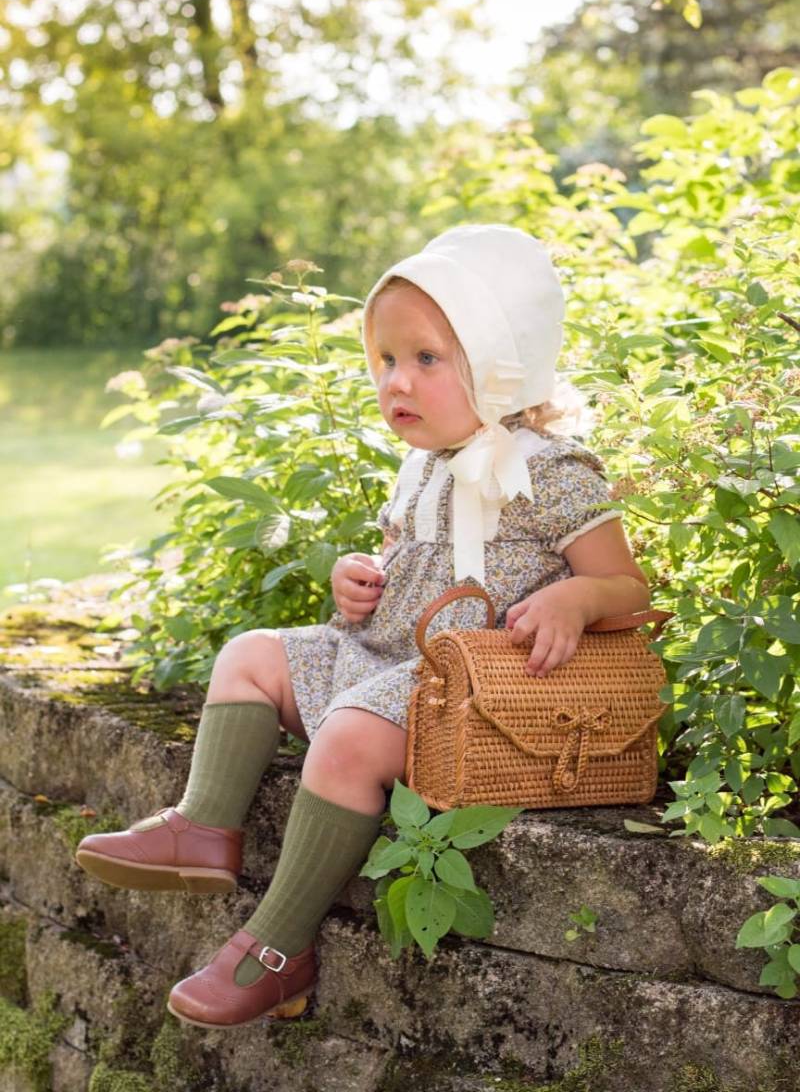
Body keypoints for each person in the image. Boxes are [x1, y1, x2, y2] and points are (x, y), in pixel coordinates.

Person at [75, 223, 650, 1029]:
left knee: (345, 739)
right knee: (249, 656)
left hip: (471, 688)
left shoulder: (548, 471)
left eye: (425, 359)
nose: (395, 381)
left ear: (500, 366)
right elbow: (401, 560)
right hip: (384, 655)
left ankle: (280, 947)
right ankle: (204, 828)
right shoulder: (421, 464)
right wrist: (359, 582)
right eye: (383, 360)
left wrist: (575, 600)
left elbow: (629, 587)